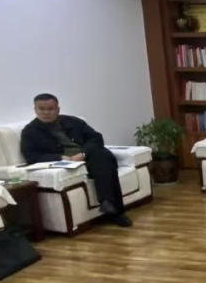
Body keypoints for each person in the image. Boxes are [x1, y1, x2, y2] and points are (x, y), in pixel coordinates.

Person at [20, 94, 132, 227]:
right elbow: (31, 155)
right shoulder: (29, 131)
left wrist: (83, 154)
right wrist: (60, 158)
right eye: (41, 109)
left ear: (58, 109)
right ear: (35, 110)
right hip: (66, 162)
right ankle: (113, 210)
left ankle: (109, 204)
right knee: (105, 164)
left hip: (88, 156)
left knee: (103, 157)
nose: (46, 113)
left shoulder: (73, 121)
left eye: (50, 109)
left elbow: (96, 138)